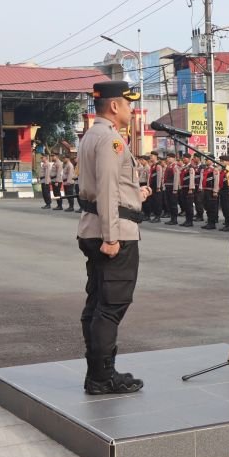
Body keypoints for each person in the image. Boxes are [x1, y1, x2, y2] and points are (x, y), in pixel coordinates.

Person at [76, 80, 148, 395]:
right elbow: (106, 188)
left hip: (94, 225)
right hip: (112, 233)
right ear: (115, 106)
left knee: (98, 303)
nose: (131, 110)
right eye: (129, 104)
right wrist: (111, 236)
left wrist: (137, 194)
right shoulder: (111, 140)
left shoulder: (92, 135)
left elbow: (108, 187)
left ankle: (101, 372)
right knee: (111, 306)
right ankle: (101, 378)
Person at [163, 153, 180, 225]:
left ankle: (174, 219)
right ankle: (172, 218)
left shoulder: (175, 166)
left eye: (170, 158)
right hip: (168, 187)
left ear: (173, 158)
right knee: (169, 203)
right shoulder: (168, 166)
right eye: (167, 158)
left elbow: (176, 178)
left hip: (172, 187)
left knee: (173, 204)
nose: (168, 159)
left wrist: (175, 189)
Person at [147, 153, 163, 223]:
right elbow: (150, 177)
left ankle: (158, 217)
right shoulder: (152, 166)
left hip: (157, 187)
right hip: (152, 187)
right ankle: (155, 216)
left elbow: (159, 176)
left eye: (152, 156)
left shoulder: (158, 166)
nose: (151, 157)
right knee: (153, 202)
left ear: (156, 157)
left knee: (157, 202)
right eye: (150, 156)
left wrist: (158, 186)